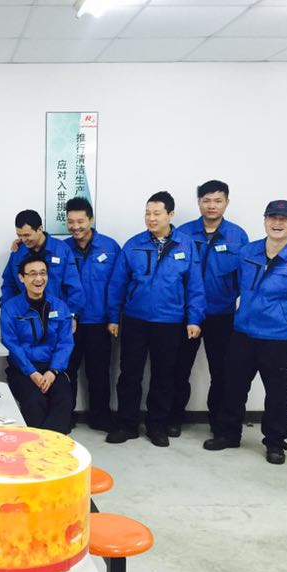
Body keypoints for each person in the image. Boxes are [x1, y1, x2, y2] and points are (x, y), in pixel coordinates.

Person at [204, 200, 287, 465]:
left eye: (285, 218)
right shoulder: (248, 252)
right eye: (272, 217)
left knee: (277, 393)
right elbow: (236, 284)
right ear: (265, 220)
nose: (277, 223)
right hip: (243, 333)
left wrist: (285, 321)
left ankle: (275, 443)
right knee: (233, 386)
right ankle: (228, 434)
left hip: (279, 339)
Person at [106, 191, 206, 447]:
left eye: (157, 213)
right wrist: (113, 317)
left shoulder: (185, 245)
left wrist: (194, 319)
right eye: (147, 213)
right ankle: (127, 424)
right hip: (135, 319)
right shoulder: (133, 244)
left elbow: (195, 286)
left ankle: (156, 425)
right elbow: (118, 283)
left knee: (164, 376)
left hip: (170, 321)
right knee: (130, 374)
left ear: (170, 215)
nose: (151, 218)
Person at [170, 180, 249, 437]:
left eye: (217, 200)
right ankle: (174, 417)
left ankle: (219, 422)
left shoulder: (238, 236)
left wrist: (228, 297)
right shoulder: (183, 233)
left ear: (227, 202)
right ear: (199, 202)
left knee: (222, 371)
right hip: (185, 314)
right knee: (179, 368)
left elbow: (244, 278)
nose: (211, 206)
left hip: (222, 314)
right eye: (206, 200)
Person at [63, 197, 120, 432]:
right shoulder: (62, 248)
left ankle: (100, 417)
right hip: (69, 323)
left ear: (91, 220)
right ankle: (65, 415)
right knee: (66, 371)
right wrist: (19, 244)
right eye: (70, 222)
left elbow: (117, 285)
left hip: (99, 322)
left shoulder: (110, 247)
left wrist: (114, 318)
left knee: (99, 373)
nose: (75, 226)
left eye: (80, 221)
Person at [0, 253, 74, 434]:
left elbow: (65, 343)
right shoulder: (11, 308)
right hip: (23, 369)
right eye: (32, 274)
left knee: (64, 398)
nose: (39, 279)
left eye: (43, 273)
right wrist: (31, 372)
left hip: (52, 368)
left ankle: (54, 444)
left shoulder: (59, 306)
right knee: (34, 401)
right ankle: (36, 443)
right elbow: (11, 343)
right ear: (21, 278)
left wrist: (53, 371)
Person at [0, 209, 85, 327]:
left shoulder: (61, 250)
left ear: (40, 229)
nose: (23, 240)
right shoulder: (18, 252)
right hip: (26, 319)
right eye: (19, 235)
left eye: (27, 235)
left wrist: (72, 315)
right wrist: (7, 311)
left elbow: (73, 286)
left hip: (57, 317)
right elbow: (9, 285)